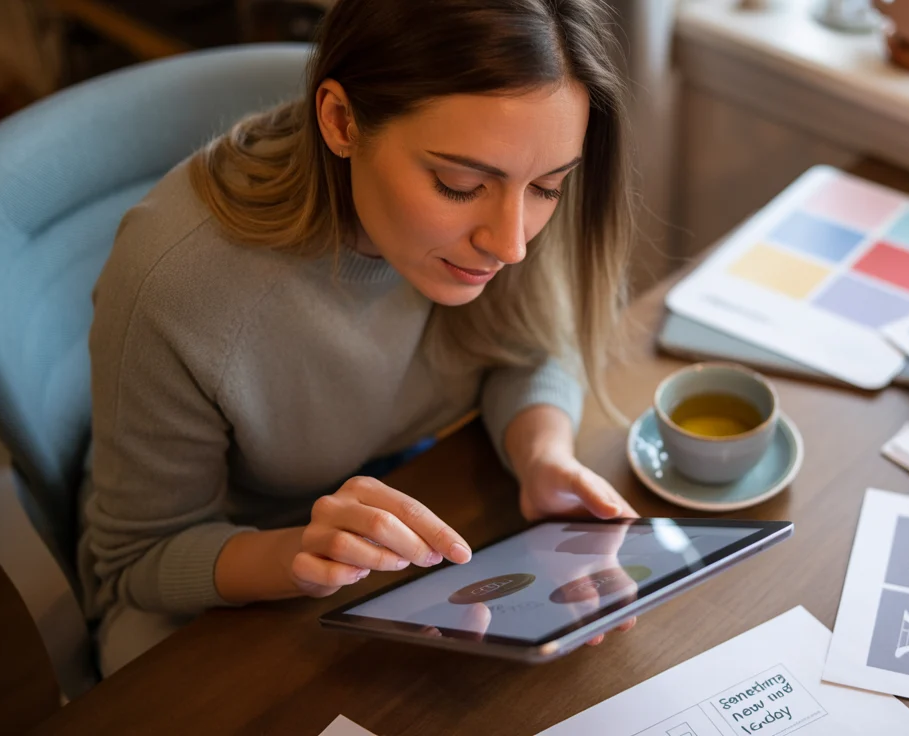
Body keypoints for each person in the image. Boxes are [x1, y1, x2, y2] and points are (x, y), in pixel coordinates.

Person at [79, 0, 639, 676]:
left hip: (404, 533)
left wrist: (542, 453)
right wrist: (303, 557)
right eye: (458, 184)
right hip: (226, 586)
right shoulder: (179, 284)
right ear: (341, 122)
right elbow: (136, 561)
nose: (512, 243)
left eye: (550, 188)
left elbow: (529, 343)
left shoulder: (515, 169)